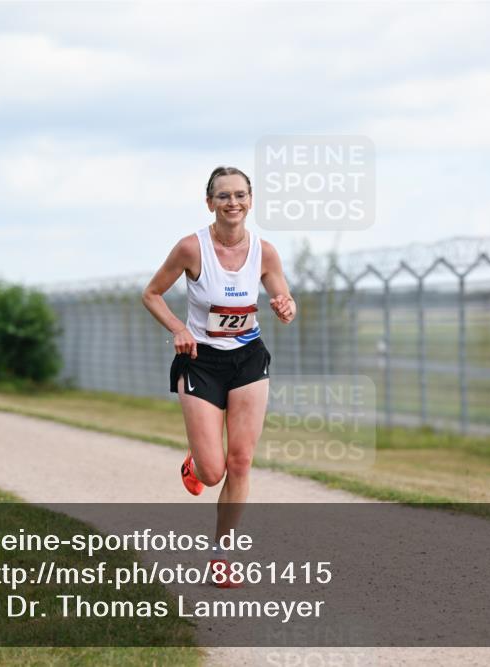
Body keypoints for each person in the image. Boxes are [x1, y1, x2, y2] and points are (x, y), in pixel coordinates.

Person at [142, 166, 296, 587]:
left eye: (240, 195)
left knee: (240, 461)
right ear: (209, 202)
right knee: (213, 472)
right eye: (224, 196)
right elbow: (151, 294)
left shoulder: (265, 252)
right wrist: (178, 328)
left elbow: (283, 296)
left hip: (248, 359)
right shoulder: (191, 248)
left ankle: (221, 555)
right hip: (201, 360)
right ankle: (196, 463)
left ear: (251, 200)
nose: (233, 203)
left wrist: (286, 306)